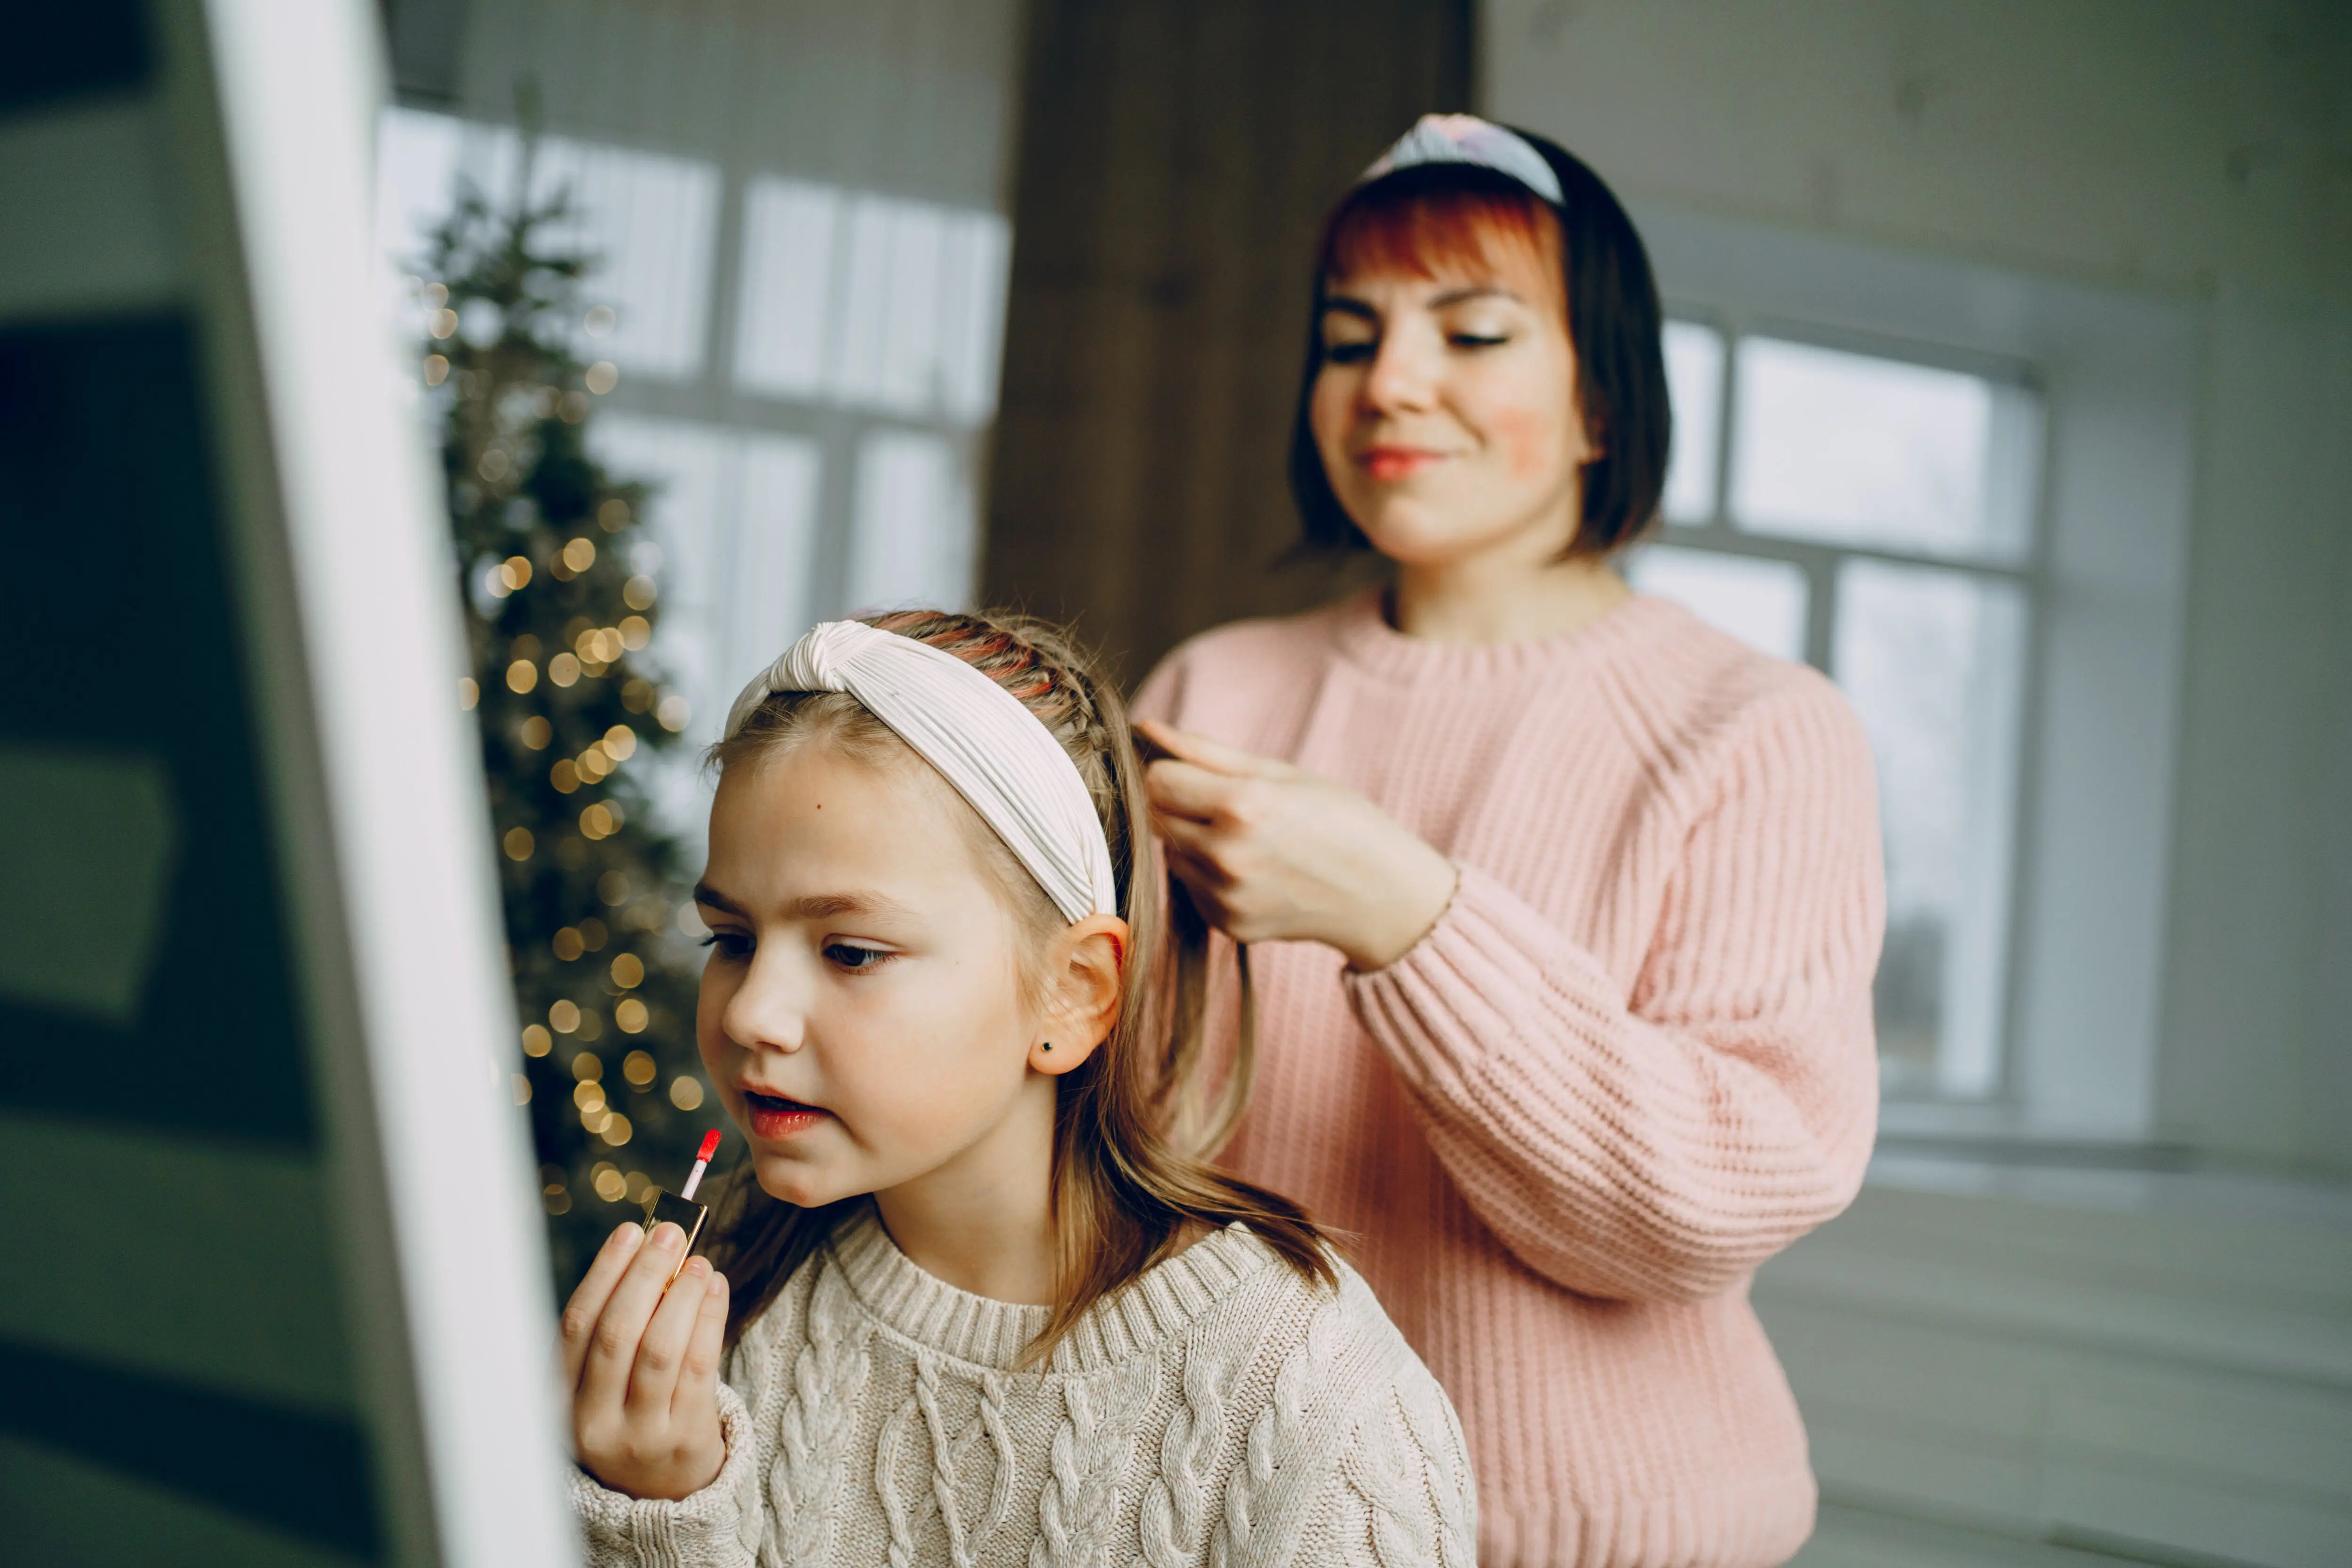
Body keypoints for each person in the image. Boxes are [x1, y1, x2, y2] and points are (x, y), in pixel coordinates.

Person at [1132, 116, 1885, 1567]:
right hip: (1221, 1516)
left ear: (1604, 402)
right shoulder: (1212, 688)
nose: (1389, 382)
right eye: (1348, 339)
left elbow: (1699, 1211)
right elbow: (1105, 1129)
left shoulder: (1759, 729)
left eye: (1473, 333)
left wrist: (1407, 919)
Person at [558, 609, 1476, 1568]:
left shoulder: (1314, 1399)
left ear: (1071, 993)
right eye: (731, 940)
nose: (753, 1014)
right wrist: (658, 1519)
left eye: (850, 952)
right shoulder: (728, 1297)